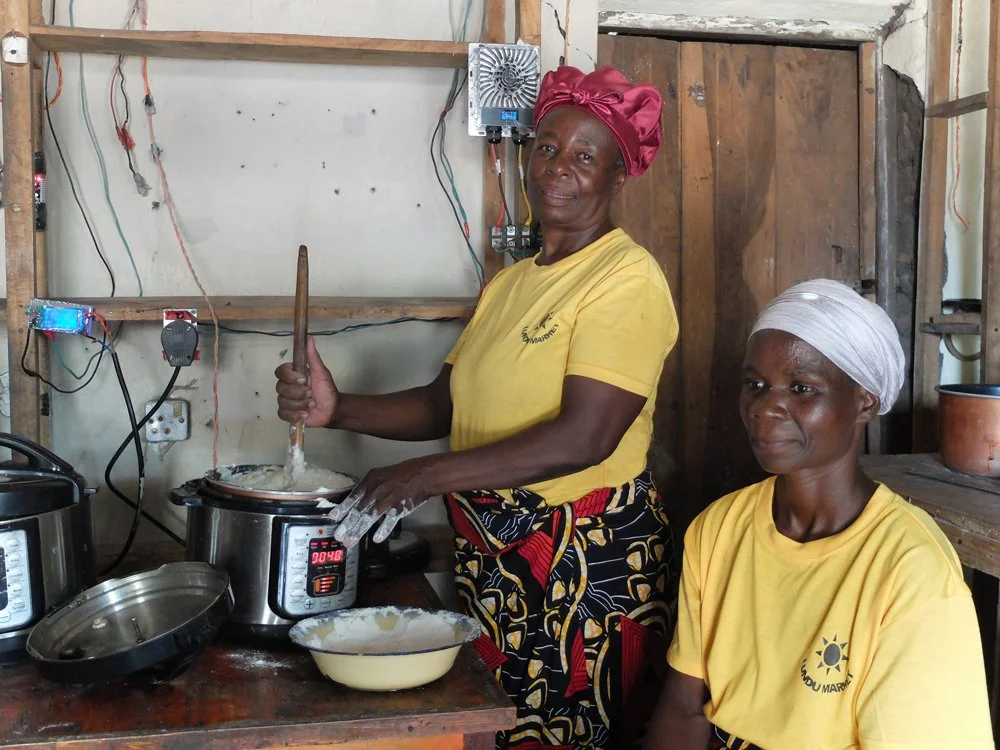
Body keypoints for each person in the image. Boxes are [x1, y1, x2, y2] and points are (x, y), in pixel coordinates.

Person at [276, 65, 678, 749]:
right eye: (547, 148)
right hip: (496, 558)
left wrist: (425, 477)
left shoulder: (625, 278)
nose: (558, 167)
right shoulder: (509, 285)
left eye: (585, 156)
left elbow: (586, 437)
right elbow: (445, 406)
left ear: (618, 176)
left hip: (583, 565)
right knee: (500, 728)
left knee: (569, 734)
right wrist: (336, 409)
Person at [643, 278, 994, 749]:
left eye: (802, 388)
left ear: (865, 401)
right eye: (755, 385)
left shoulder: (912, 573)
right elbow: (685, 706)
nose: (766, 408)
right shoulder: (718, 529)